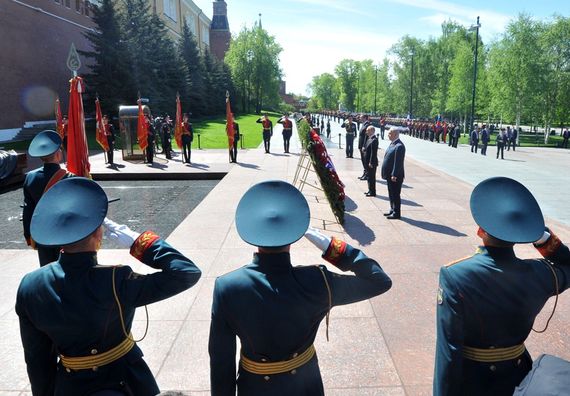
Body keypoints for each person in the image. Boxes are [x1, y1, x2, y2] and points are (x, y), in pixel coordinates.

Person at [16, 177, 202, 395]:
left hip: (70, 387)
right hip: (126, 383)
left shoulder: (30, 285)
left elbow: (37, 361)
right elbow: (186, 272)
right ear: (98, 234)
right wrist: (136, 240)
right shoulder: (116, 280)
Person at [208, 180, 392, 396]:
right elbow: (379, 280)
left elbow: (221, 363)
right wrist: (332, 247)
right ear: (293, 234)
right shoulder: (318, 281)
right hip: (306, 386)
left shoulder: (228, 287)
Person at [433, 176, 570, 396]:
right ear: (519, 235)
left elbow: (448, 352)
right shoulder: (542, 273)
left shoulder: (455, 275)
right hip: (519, 375)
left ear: (480, 231)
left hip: (474, 380)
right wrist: (542, 237)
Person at [22, 130, 72, 266]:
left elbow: (28, 210)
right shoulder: (69, 178)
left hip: (42, 233)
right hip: (66, 234)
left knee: (47, 270)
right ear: (58, 154)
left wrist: (29, 236)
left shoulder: (30, 177)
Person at [381, 127, 406, 220]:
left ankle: (396, 213)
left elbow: (398, 162)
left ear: (395, 134)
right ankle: (392, 209)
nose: (388, 135)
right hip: (389, 174)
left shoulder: (399, 146)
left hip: (395, 176)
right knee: (391, 193)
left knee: (395, 194)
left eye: (389, 133)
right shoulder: (393, 144)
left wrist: (394, 174)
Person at [363, 126, 379, 197]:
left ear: (372, 131)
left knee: (371, 177)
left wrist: (371, 162)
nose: (366, 132)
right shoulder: (369, 138)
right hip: (367, 161)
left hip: (371, 163)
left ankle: (372, 192)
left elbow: (373, 152)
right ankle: (370, 190)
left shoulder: (374, 140)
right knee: (369, 177)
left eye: (367, 131)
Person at [357, 114, 372, 181]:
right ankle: (365, 173)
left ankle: (367, 174)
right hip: (361, 145)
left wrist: (364, 146)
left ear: (365, 118)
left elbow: (366, 137)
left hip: (364, 146)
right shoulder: (363, 124)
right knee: (363, 160)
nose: (359, 118)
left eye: (361, 117)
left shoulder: (367, 125)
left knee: (365, 160)